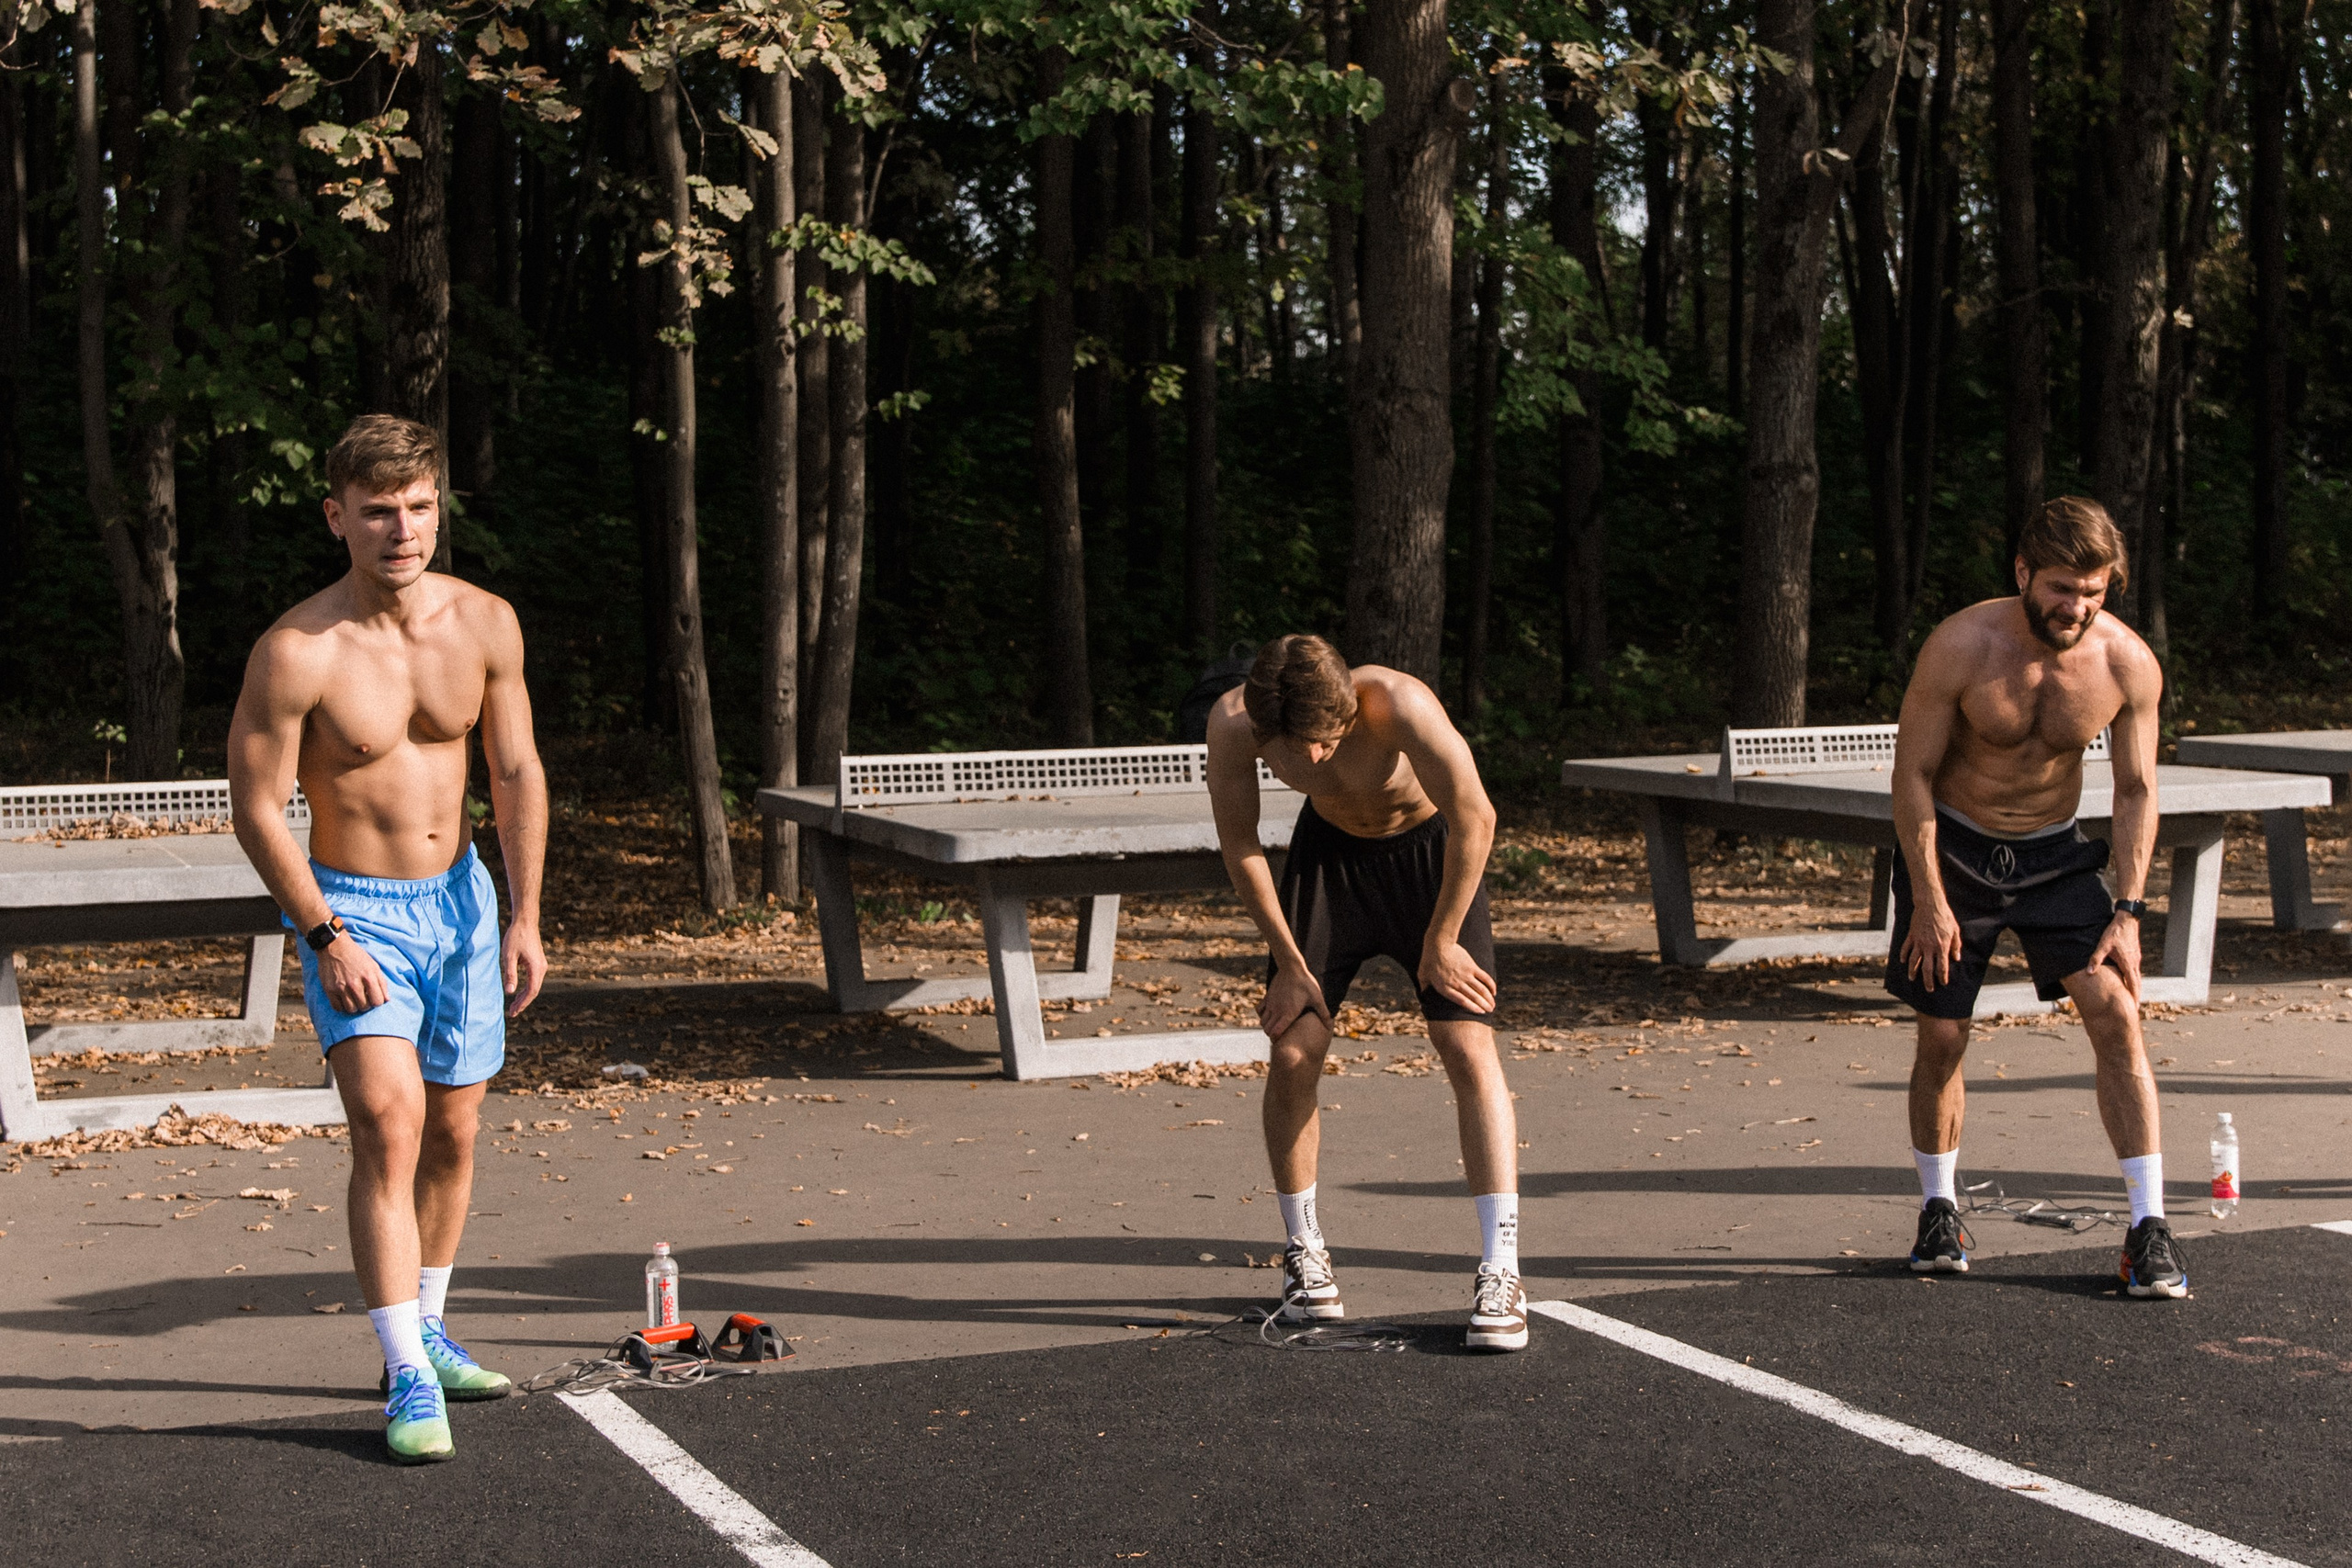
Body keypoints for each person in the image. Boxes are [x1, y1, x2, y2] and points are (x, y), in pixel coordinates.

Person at [229, 414, 548, 1462]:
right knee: (387, 1122)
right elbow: (258, 807)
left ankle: (433, 1324)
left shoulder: (485, 623)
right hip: (354, 912)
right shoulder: (297, 650)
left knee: (454, 1133)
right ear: (338, 518)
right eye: (377, 511)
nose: (401, 529)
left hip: (460, 905)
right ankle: (405, 1370)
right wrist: (322, 935)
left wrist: (524, 914)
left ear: (437, 507)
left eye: (417, 507)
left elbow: (513, 773)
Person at [1887, 497, 2183, 1298]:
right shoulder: (1961, 645)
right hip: (1954, 850)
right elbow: (1911, 776)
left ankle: (2149, 1228)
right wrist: (1929, 897)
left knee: (2117, 1012)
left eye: (2094, 591)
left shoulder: (2126, 661)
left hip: (2055, 855)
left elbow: (2135, 788)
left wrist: (2127, 909)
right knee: (1944, 1036)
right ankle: (1939, 1208)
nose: (2077, 607)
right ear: (2023, 572)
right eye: (2062, 588)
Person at [1205, 634, 1525, 1350]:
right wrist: (1289, 961)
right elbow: (1242, 845)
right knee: (1293, 1050)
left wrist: (1440, 939)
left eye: (1328, 741)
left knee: (1466, 1042)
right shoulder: (1233, 724)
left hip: (1429, 857)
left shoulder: (1397, 703)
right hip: (1330, 866)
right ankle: (1305, 1255)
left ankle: (1501, 1268)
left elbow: (1477, 815)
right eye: (1298, 749)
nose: (1315, 760)